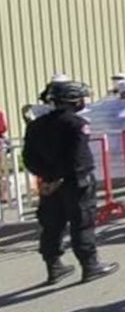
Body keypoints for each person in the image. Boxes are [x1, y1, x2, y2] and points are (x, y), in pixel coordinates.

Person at [21, 81, 119, 284]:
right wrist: (60, 177)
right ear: (73, 101)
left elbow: (29, 158)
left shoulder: (36, 125)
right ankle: (90, 265)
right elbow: (77, 159)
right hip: (76, 182)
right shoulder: (76, 124)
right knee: (82, 223)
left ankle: (54, 266)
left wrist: (48, 178)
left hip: (49, 183)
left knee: (51, 225)